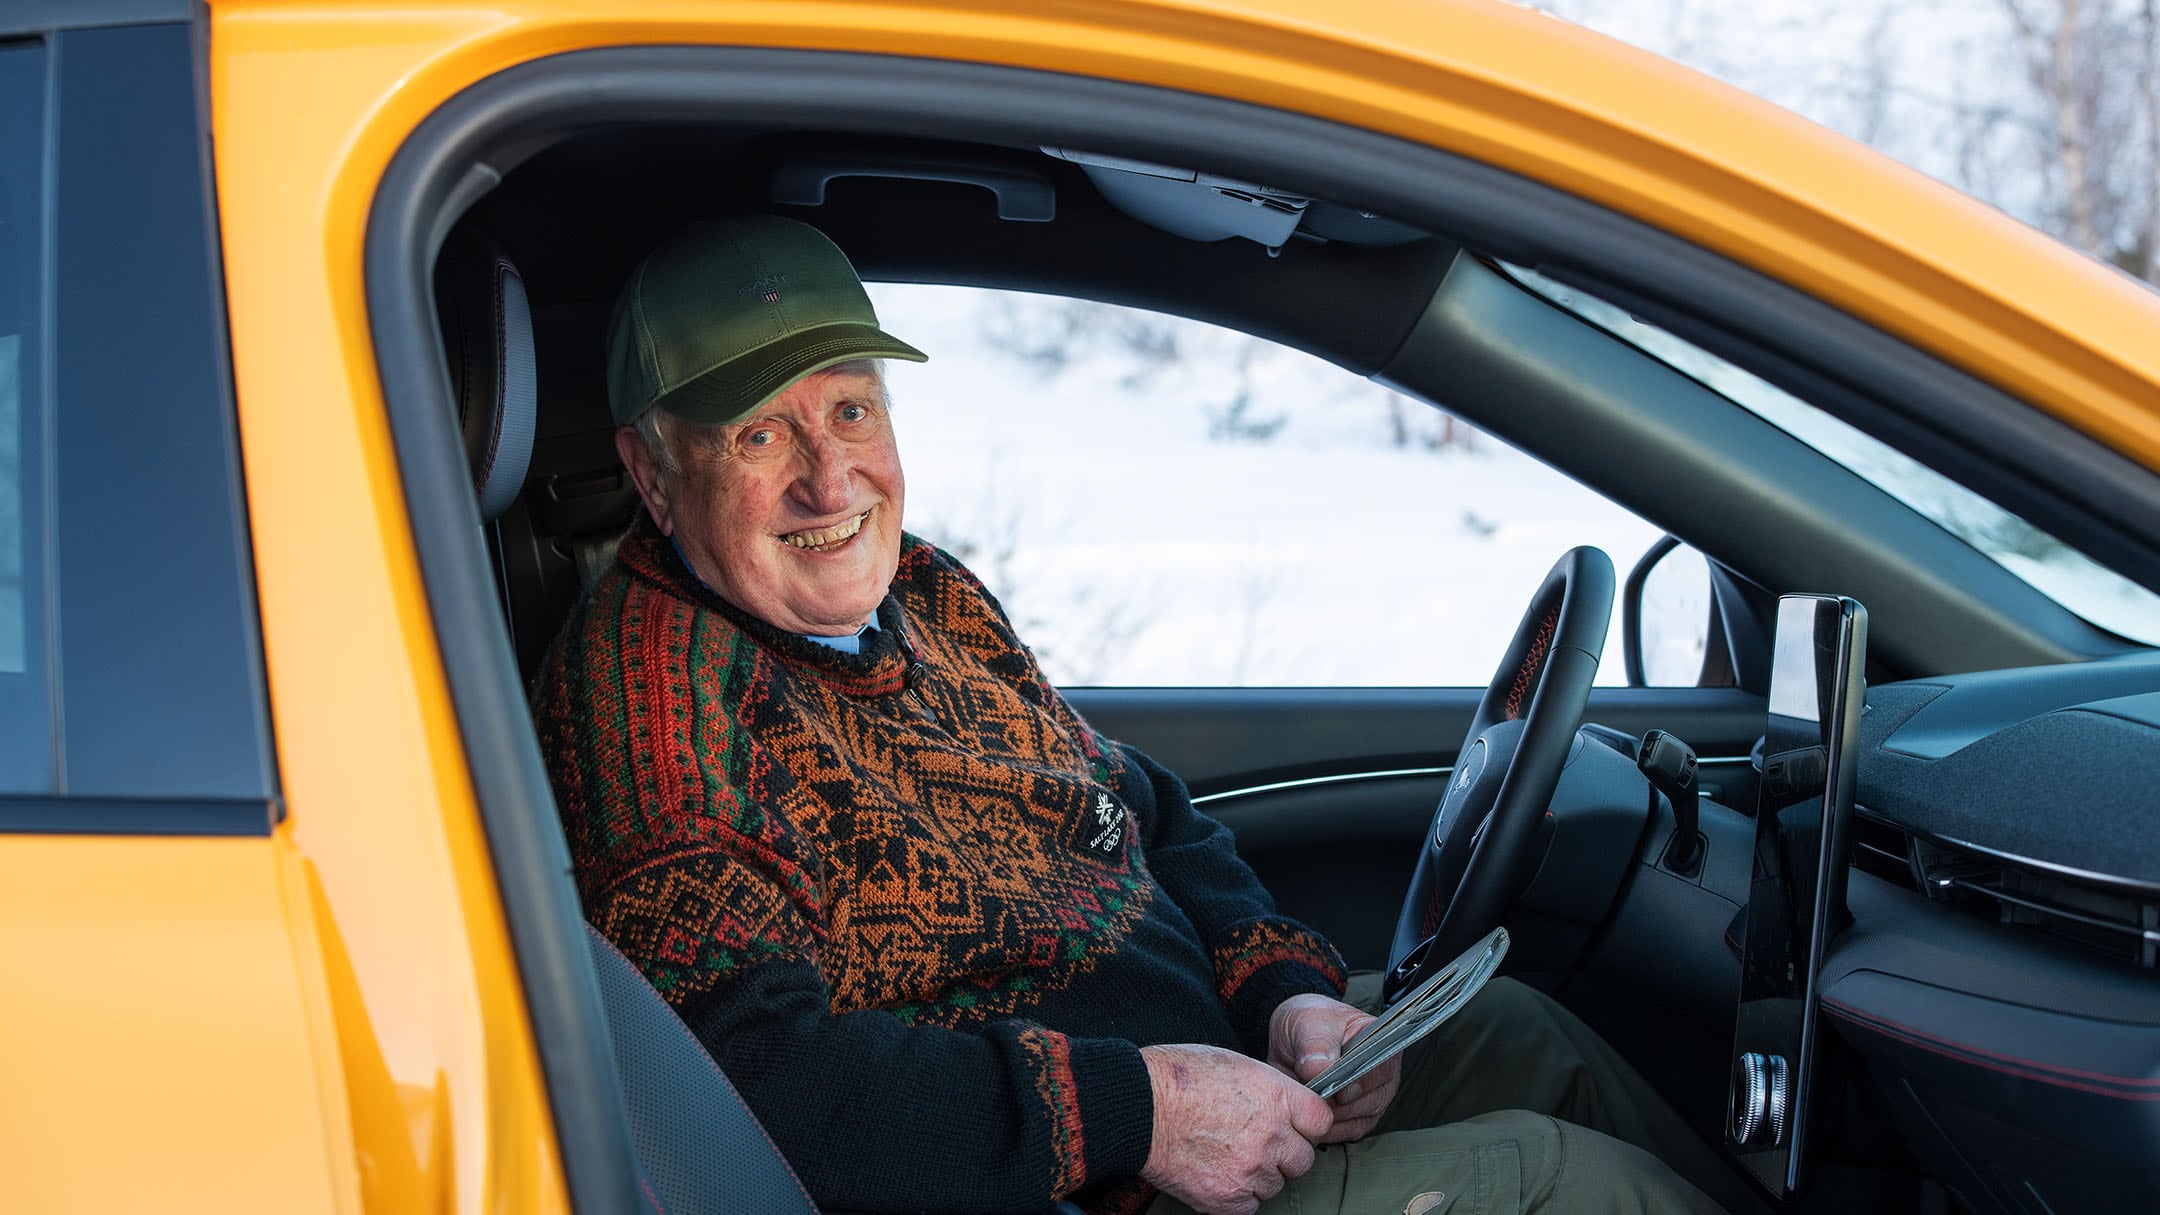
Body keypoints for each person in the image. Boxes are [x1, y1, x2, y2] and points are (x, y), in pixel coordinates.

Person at [534, 215, 1753, 1215]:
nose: (831, 477)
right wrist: (1139, 1114)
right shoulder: (649, 709)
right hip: (1073, 1187)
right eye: (761, 434)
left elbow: (1141, 810)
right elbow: (751, 1083)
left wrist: (1283, 995)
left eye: (850, 409)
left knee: (1517, 1030)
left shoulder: (926, 592)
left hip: (1204, 1082)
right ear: (652, 472)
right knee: (1561, 1187)